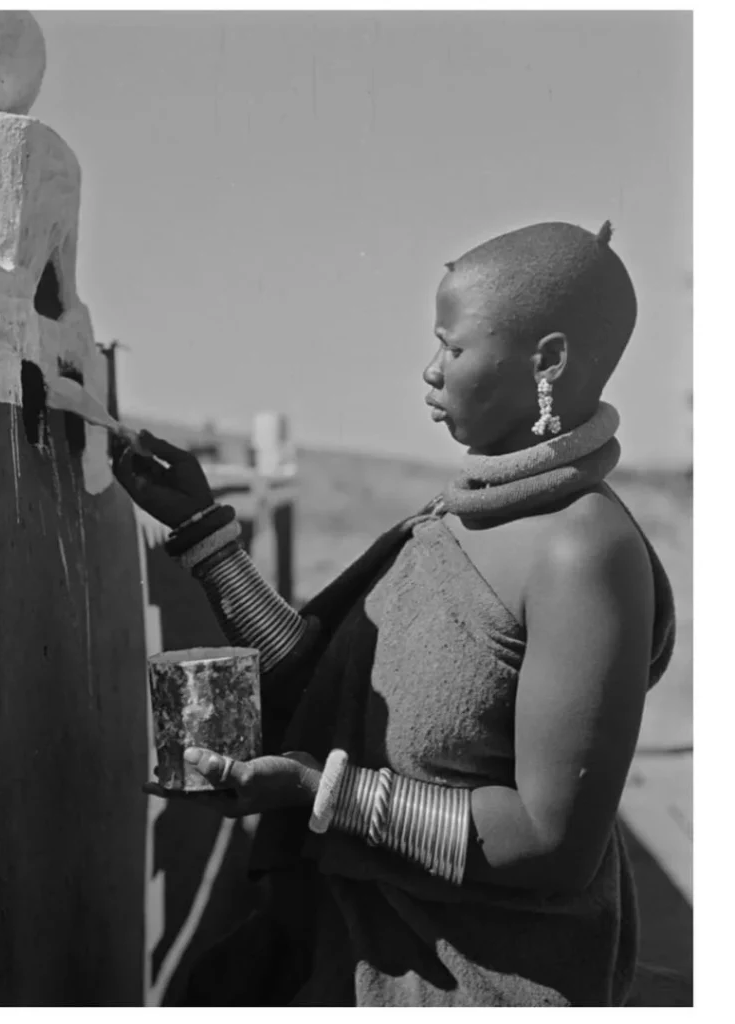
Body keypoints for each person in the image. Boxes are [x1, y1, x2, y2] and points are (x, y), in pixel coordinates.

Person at [111, 220, 676, 1007]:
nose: (429, 372)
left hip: (475, 985)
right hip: (339, 948)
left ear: (548, 360)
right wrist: (206, 536)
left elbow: (551, 844)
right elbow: (325, 684)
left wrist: (320, 795)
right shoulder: (451, 520)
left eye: (453, 348)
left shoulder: (583, 555)